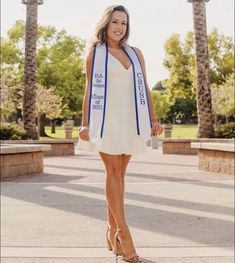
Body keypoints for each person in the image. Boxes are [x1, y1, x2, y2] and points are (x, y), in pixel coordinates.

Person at [78, 5, 163, 262]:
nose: (119, 27)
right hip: (107, 121)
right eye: (115, 21)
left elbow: (145, 87)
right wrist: (84, 123)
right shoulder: (96, 53)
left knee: (120, 177)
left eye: (123, 23)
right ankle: (125, 234)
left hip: (131, 120)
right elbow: (89, 88)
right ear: (106, 23)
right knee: (113, 172)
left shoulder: (136, 53)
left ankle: (111, 231)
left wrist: (153, 117)